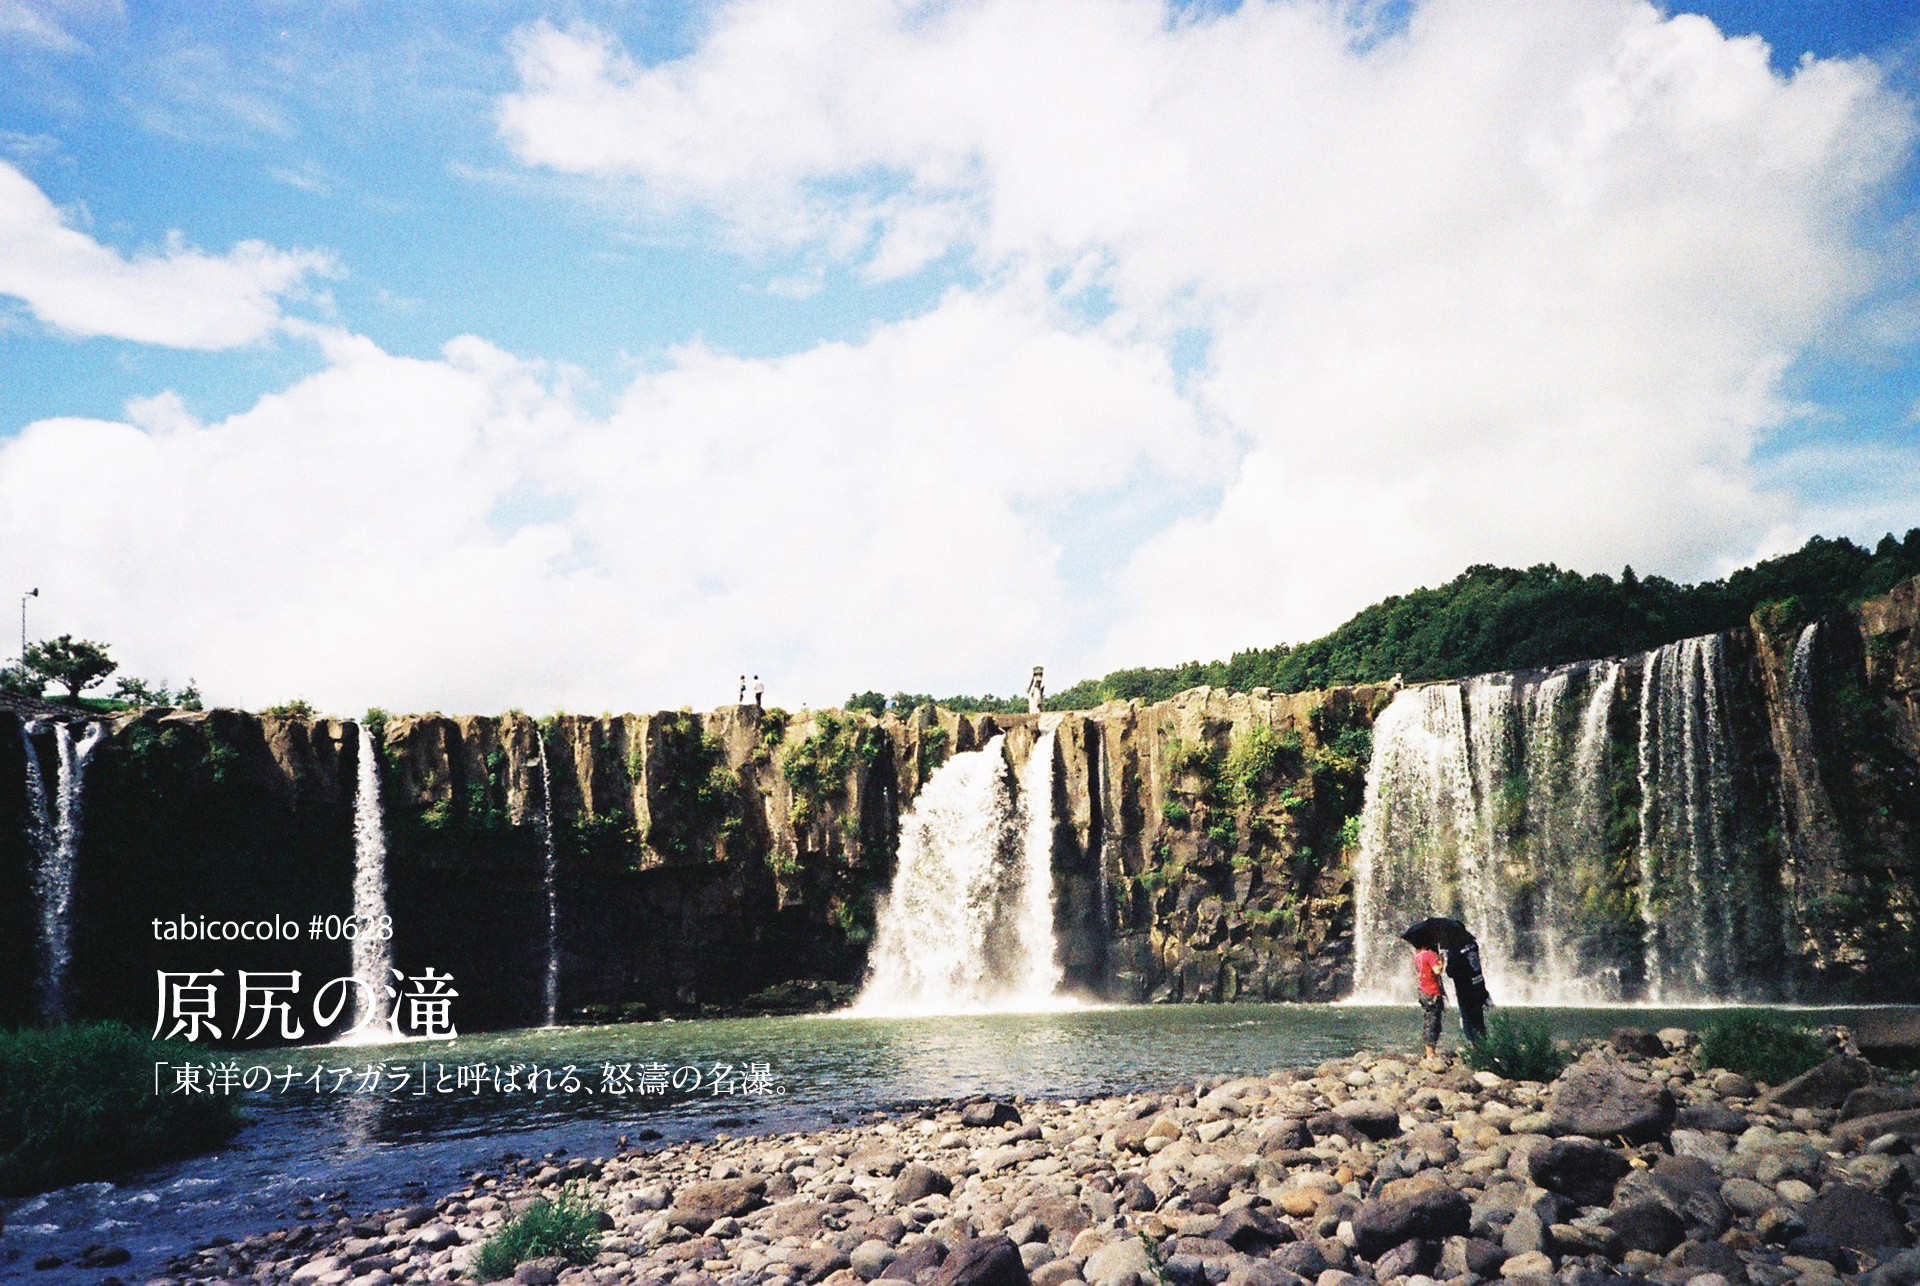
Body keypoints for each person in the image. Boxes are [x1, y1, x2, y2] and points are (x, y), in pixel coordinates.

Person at [1445, 936, 1491, 1043]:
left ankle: (1473, 1048)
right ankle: (1483, 1047)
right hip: (1478, 986)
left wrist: (1447, 958)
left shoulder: (1454, 949)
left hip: (1465, 990)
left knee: (1467, 1021)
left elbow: (1450, 972)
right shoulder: (1473, 944)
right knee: (1479, 1020)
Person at [1413, 940, 1445, 1058]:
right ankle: (1430, 1053)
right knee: (1433, 1022)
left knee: (1428, 1020)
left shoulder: (1418, 955)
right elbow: (1437, 971)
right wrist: (1441, 961)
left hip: (1422, 990)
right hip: (1432, 991)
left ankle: (1429, 1051)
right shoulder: (1430, 955)